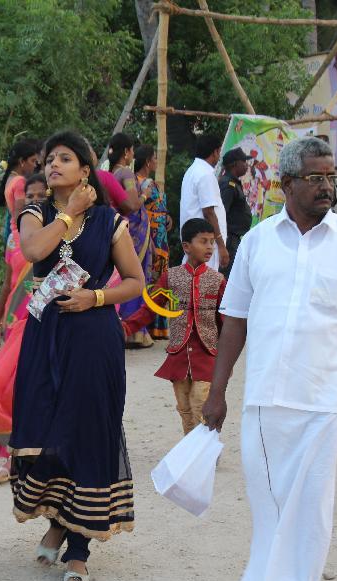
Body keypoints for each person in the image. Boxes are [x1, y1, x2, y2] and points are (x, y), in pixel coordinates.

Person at [202, 137, 337, 581]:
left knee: (310, 507)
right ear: (286, 184)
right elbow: (235, 322)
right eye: (315, 178)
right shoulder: (257, 242)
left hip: (324, 399)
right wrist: (217, 390)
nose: (327, 187)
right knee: (269, 505)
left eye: (331, 177)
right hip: (265, 399)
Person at [10, 131, 145, 581]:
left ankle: (80, 547)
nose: (53, 165)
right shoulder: (37, 213)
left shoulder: (111, 221)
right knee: (49, 430)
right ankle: (58, 521)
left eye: (64, 159)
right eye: (50, 159)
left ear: (86, 170)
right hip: (46, 338)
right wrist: (68, 215)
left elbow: (135, 282)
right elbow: (34, 252)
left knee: (87, 430)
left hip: (93, 339)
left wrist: (97, 296)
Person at [0, 174, 47, 482]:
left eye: (43, 194)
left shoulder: (61, 233)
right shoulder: (15, 237)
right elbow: (7, 283)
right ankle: (10, 453)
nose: (36, 200)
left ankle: (20, 458)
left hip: (45, 322)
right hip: (16, 323)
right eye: (30, 195)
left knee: (30, 389)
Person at [122, 218, 225, 433]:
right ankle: (190, 452)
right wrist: (126, 328)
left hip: (207, 355)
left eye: (211, 242)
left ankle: (205, 451)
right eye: (203, 241)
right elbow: (151, 308)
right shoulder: (170, 278)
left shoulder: (217, 280)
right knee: (185, 408)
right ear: (186, 246)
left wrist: (226, 359)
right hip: (178, 355)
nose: (209, 247)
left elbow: (224, 321)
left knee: (200, 404)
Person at [107, 133, 152, 348]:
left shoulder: (110, 174)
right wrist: (145, 194)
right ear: (126, 152)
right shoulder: (125, 172)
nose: (133, 154)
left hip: (118, 230)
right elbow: (132, 205)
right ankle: (133, 332)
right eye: (132, 150)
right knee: (135, 277)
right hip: (130, 232)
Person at [135, 144, 172, 339]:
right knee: (153, 279)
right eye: (155, 158)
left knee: (160, 279)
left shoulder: (150, 183)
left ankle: (158, 326)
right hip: (151, 238)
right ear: (148, 161)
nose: (157, 162)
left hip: (160, 236)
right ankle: (149, 326)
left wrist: (167, 217)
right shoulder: (140, 183)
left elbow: (161, 207)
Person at [180, 134, 229, 270]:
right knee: (204, 285)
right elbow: (208, 212)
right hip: (205, 243)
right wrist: (220, 245)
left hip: (196, 240)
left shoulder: (192, 171)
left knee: (192, 281)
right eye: (219, 152)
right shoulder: (205, 174)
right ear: (215, 152)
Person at [0, 139, 41, 246]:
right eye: (33, 161)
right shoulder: (20, 182)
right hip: (20, 237)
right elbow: (19, 215)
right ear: (22, 161)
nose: (35, 165)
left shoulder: (10, 178)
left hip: (13, 236)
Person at [218, 147, 254, 277]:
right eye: (244, 161)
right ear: (235, 164)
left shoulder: (233, 183)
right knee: (226, 276)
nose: (246, 165)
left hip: (233, 238)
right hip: (228, 239)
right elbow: (221, 214)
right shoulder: (228, 184)